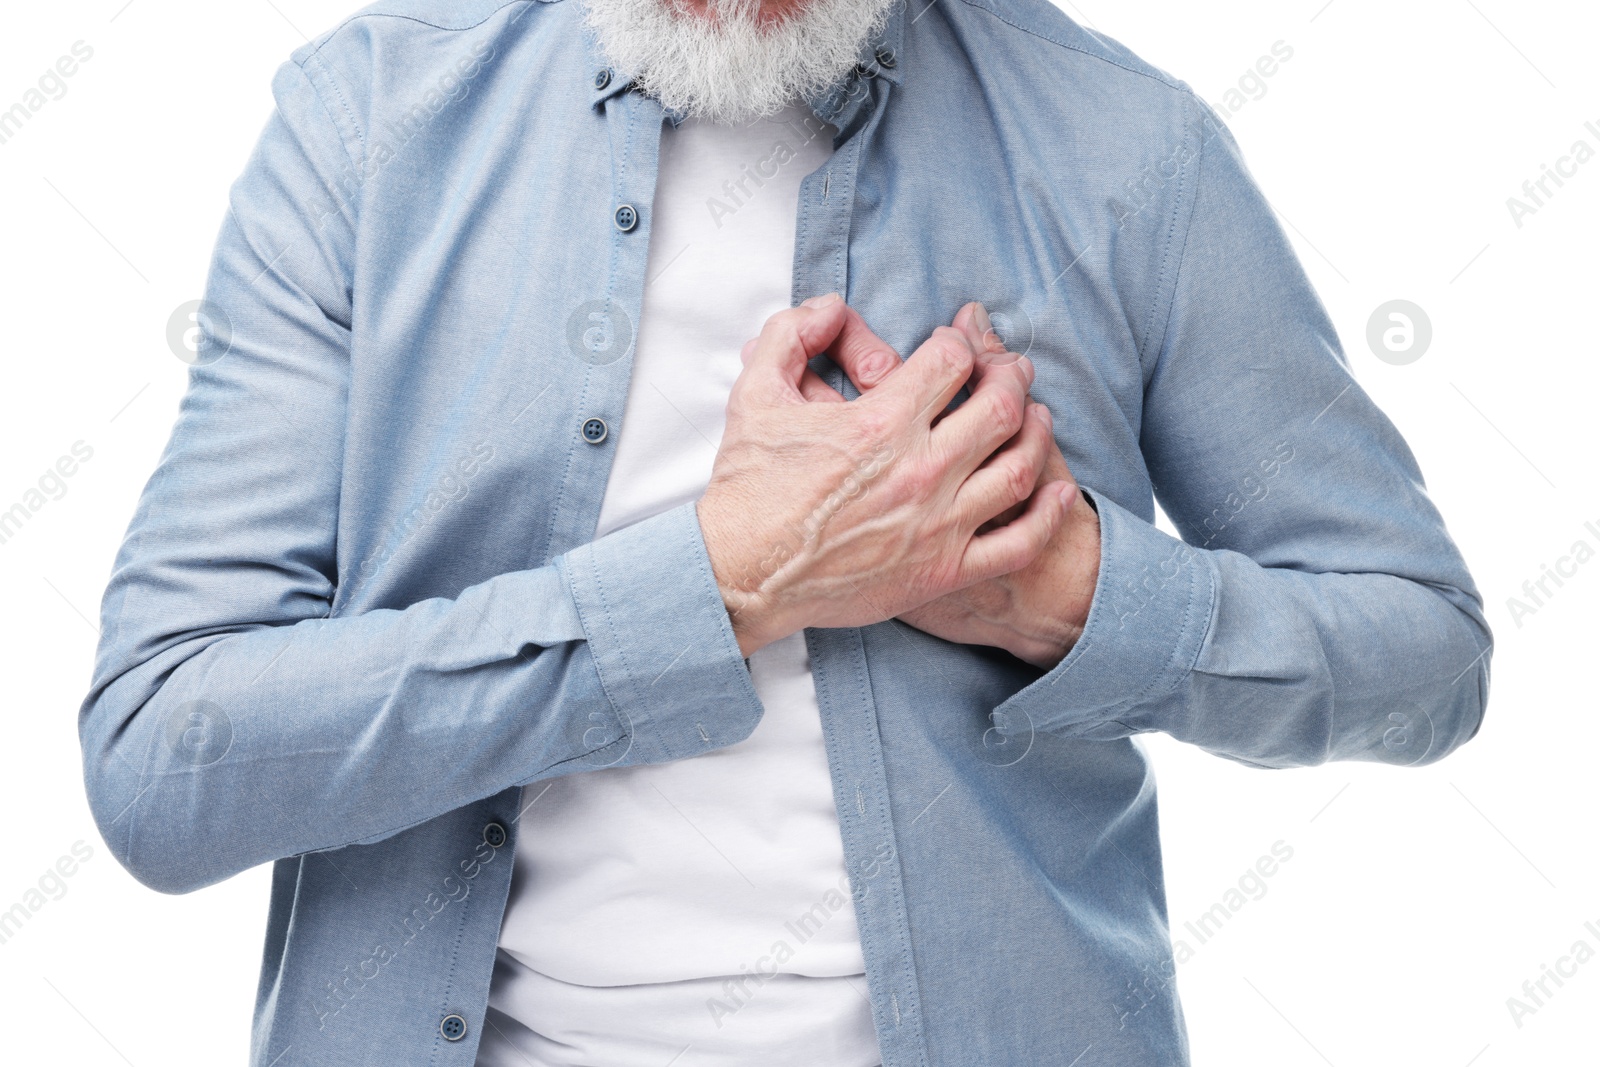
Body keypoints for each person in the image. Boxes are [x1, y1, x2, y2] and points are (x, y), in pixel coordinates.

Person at [78, 0, 1491, 1063]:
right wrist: (727, 574)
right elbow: (165, 755)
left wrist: (1074, 597)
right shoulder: (365, 126)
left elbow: (1423, 651)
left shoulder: (1129, 150)